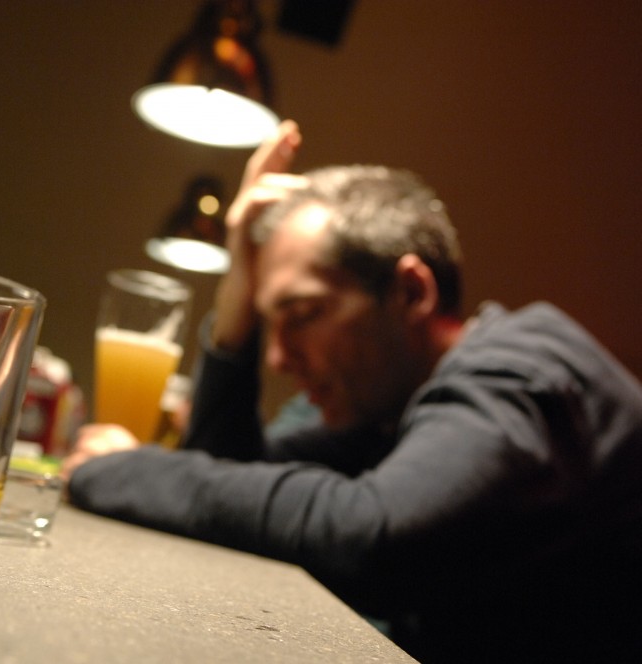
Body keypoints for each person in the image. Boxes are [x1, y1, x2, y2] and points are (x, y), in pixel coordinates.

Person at [61, 120, 642, 662]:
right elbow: (232, 476)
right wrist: (237, 298)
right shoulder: (395, 406)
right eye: (270, 323)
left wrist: (127, 470)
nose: (278, 358)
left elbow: (374, 536)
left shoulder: (523, 376)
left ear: (411, 293)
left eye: (303, 314)